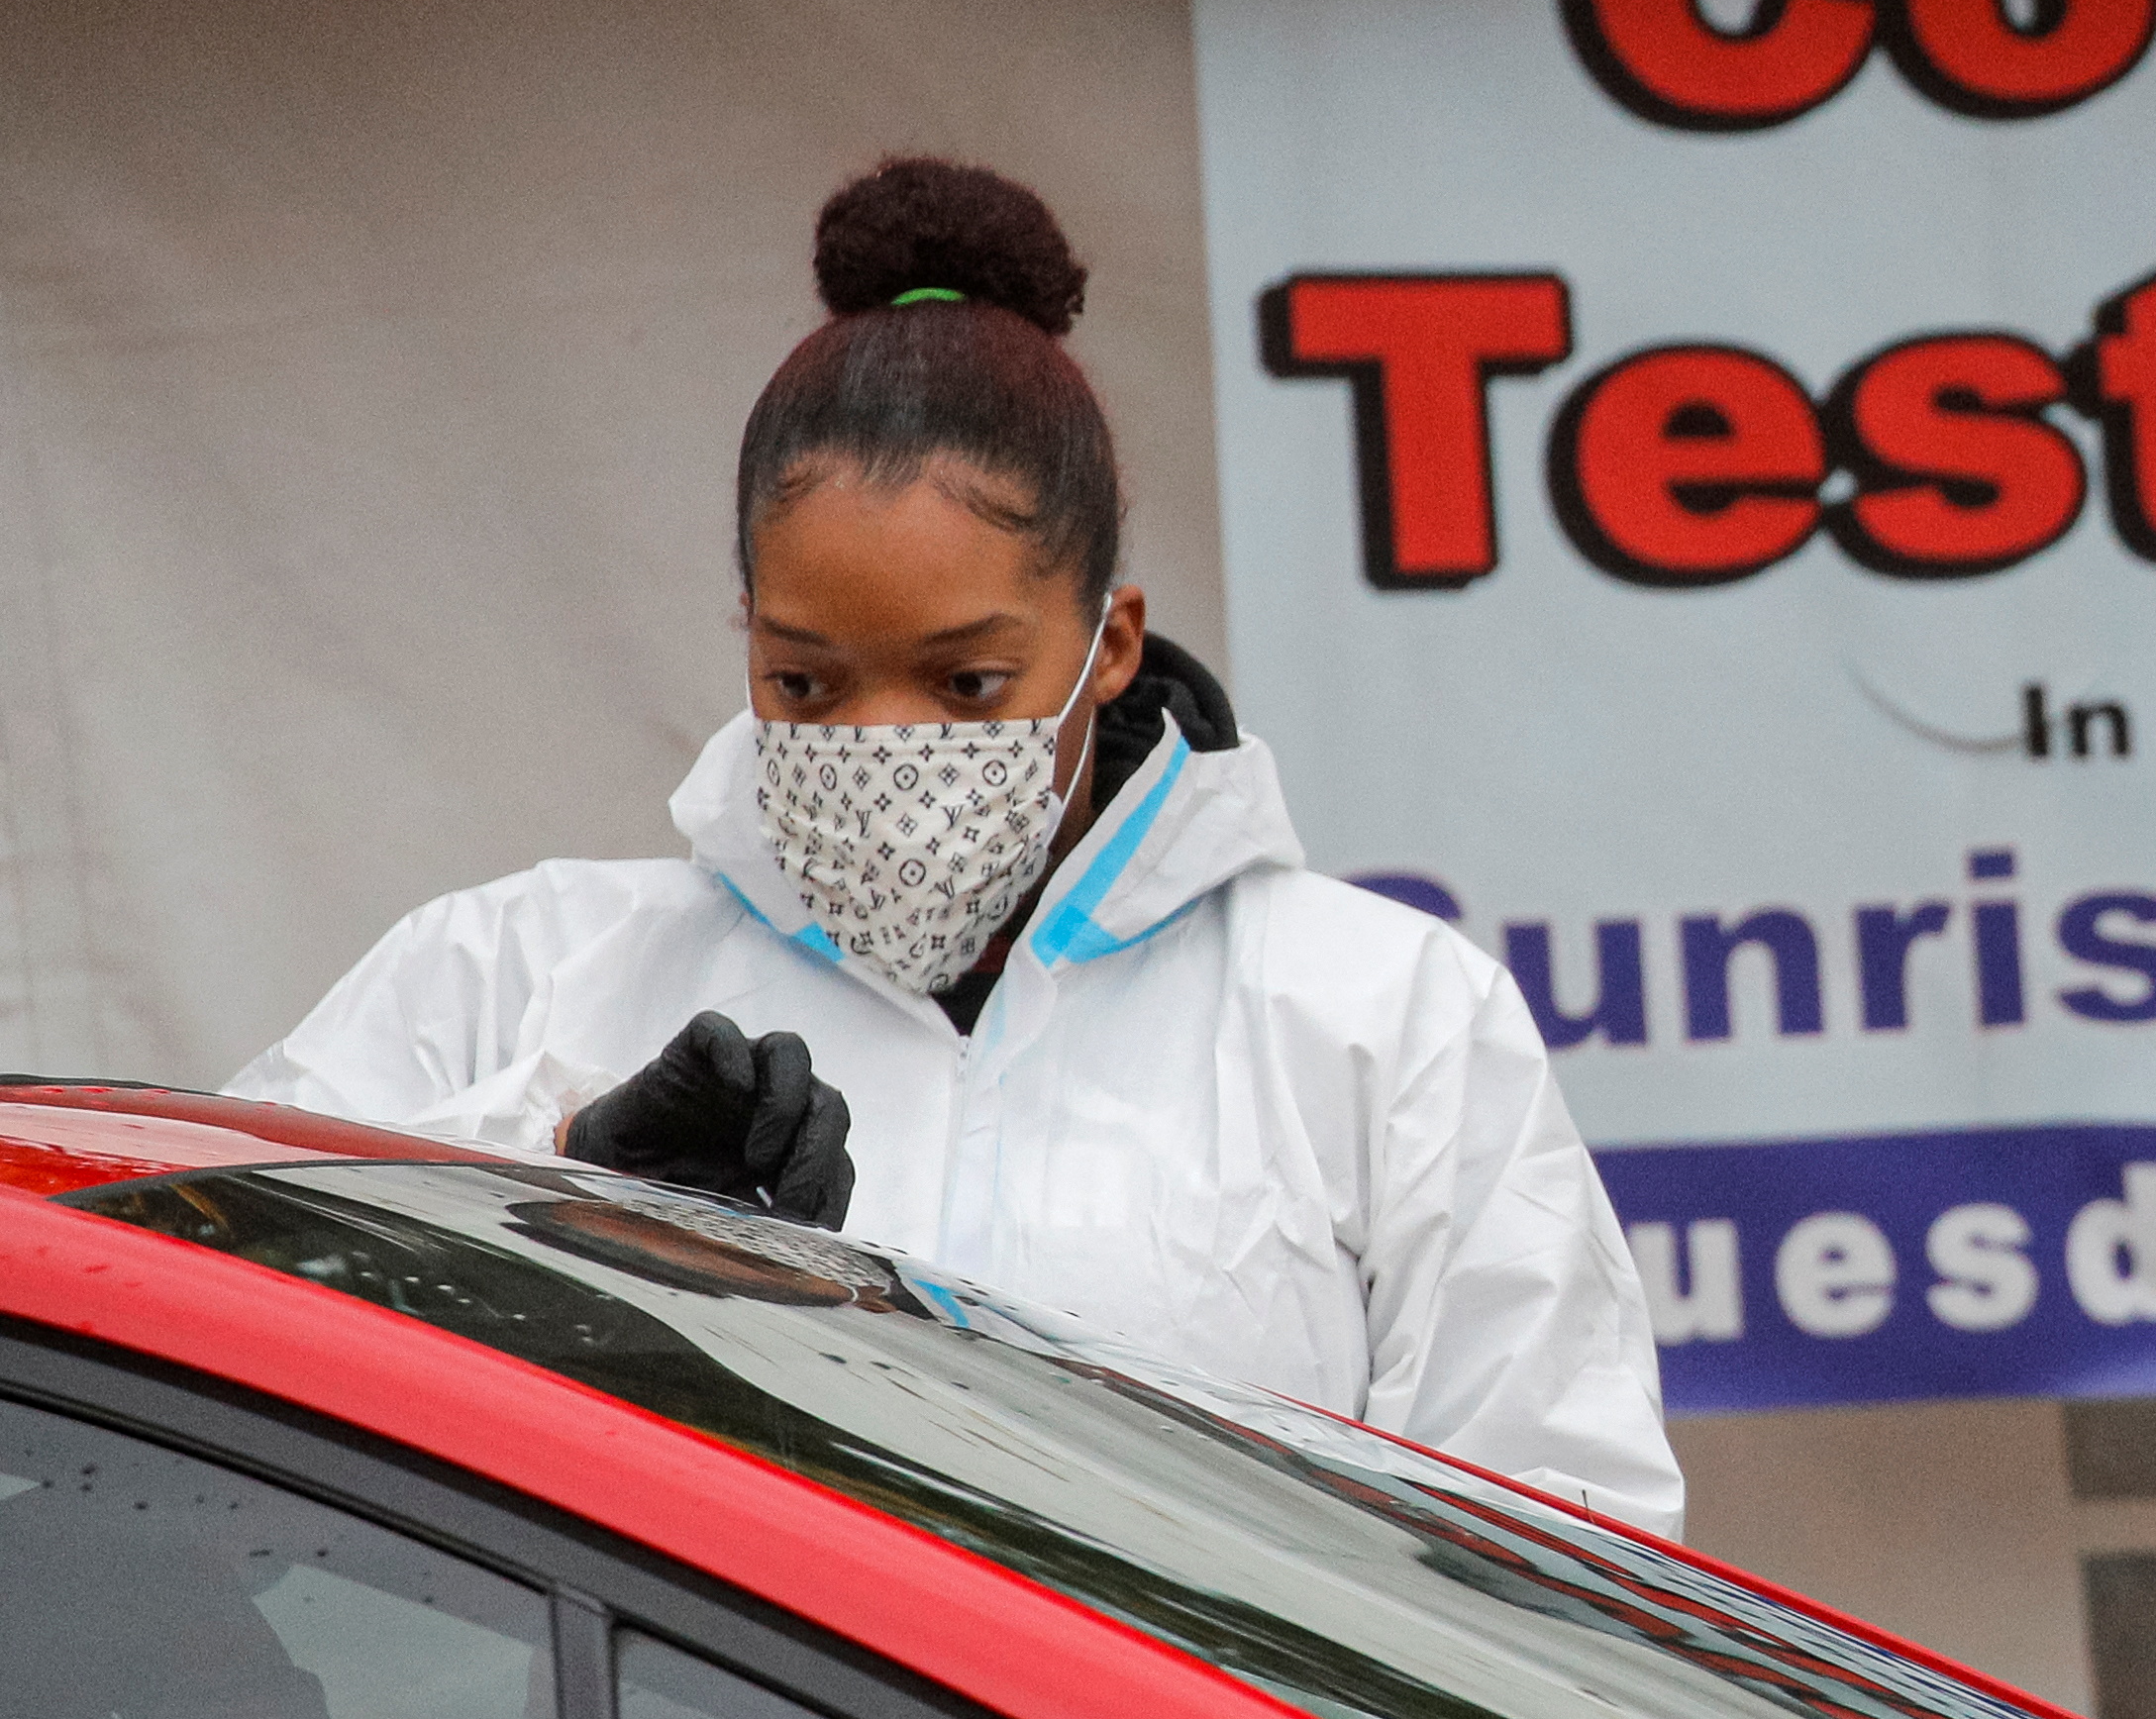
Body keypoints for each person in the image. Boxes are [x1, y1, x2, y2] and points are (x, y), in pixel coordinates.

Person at [234, 158, 1678, 1533]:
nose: (881, 739)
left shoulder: (1382, 1020)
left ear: (1108, 643)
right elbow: (197, 1309)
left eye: (967, 683)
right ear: (747, 643)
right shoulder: (514, 976)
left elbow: (1560, 1554)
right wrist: (546, 1177)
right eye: (807, 680)